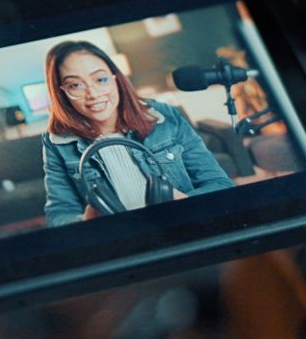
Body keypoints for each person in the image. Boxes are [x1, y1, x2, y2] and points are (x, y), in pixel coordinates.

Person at [40, 40, 231, 227]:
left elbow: (220, 184)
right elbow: (59, 214)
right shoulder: (56, 142)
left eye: (101, 79)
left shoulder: (165, 115)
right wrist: (85, 223)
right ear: (61, 92)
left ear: (116, 79)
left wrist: (187, 202)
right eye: (75, 85)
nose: (93, 94)